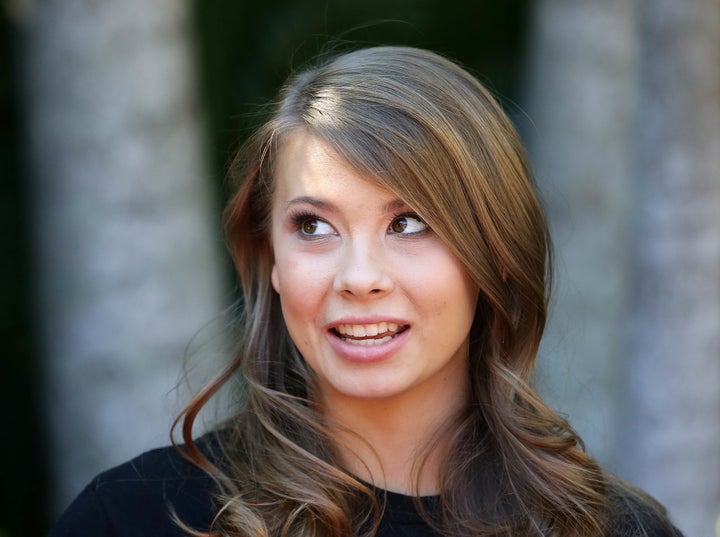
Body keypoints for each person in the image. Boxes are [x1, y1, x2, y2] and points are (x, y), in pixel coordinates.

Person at [49, 46, 683, 537]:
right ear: (270, 256)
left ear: (492, 250)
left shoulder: (613, 529)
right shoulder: (131, 517)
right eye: (314, 227)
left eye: (409, 223)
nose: (358, 277)